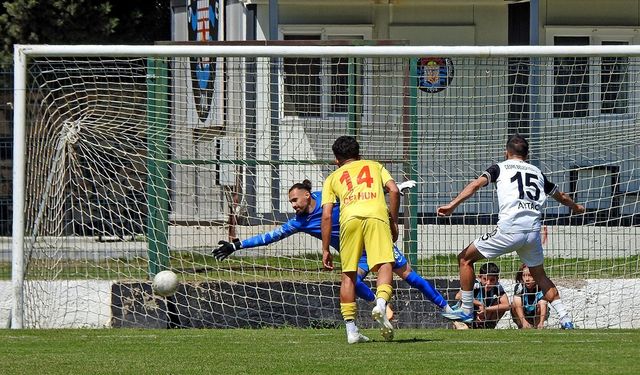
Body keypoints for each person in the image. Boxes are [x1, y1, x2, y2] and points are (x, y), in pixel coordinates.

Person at [213, 178, 455, 331]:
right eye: (290, 202)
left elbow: (361, 192)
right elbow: (270, 237)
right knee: (351, 280)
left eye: (295, 200)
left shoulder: (330, 196)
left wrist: (392, 189)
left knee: (411, 277)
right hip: (356, 255)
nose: (293, 205)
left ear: (308, 195)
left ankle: (450, 312)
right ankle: (380, 306)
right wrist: (236, 245)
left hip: (374, 240)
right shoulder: (300, 222)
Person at [437, 133, 585, 329]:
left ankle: (465, 309)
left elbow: (474, 185)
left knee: (465, 258)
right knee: (539, 275)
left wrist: (452, 205)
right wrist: (576, 208)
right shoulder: (538, 173)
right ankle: (566, 319)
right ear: (527, 154)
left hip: (510, 229)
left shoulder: (499, 168)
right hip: (533, 232)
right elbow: (563, 196)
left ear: (506, 152)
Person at [321, 135, 398, 343]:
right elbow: (394, 190)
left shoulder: (332, 177)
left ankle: (351, 331)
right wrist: (394, 221)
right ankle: (381, 304)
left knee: (348, 274)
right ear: (359, 154)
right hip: (376, 215)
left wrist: (326, 248)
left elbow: (327, 214)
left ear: (336, 159)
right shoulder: (374, 166)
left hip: (349, 220)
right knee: (384, 264)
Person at [452, 262, 510, 329]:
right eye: (485, 279)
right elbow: (458, 296)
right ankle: (462, 323)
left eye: (492, 280)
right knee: (464, 329)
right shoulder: (474, 284)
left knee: (499, 304)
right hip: (465, 313)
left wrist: (486, 309)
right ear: (480, 277)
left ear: (497, 279)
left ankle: (487, 326)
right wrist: (479, 304)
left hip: (483, 313)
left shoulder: (497, 287)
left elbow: (507, 305)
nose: (488, 283)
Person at [512, 263, 549, 329]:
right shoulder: (519, 286)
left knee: (542, 304)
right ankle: (521, 326)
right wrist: (523, 321)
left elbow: (543, 303)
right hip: (524, 312)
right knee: (513, 304)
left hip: (536, 311)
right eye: (524, 275)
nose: (527, 279)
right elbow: (517, 303)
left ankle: (538, 325)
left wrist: (541, 322)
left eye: (530, 275)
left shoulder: (541, 286)